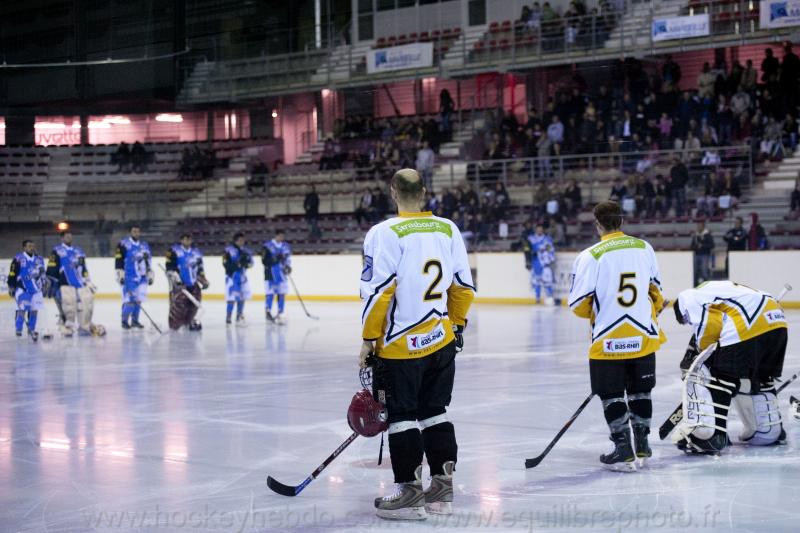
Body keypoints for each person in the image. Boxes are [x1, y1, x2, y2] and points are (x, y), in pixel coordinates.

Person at [360, 168, 475, 520]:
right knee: (435, 411)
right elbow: (463, 288)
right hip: (441, 340)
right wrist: (456, 326)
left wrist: (368, 339)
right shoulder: (448, 228)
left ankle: (409, 494)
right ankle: (441, 491)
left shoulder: (383, 233)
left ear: (393, 192)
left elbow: (379, 293)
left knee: (402, 416)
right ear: (424, 192)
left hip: (401, 345)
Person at [568, 201, 666, 471]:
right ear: (621, 221)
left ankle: (623, 448)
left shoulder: (590, 256)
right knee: (641, 391)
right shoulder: (644, 247)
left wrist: (601, 313)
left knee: (611, 394)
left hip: (608, 338)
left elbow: (579, 304)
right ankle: (642, 445)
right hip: (643, 334)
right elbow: (656, 292)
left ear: (597, 224)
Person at [671, 281, 788, 454]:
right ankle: (769, 431)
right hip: (777, 322)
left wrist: (700, 351)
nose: (688, 322)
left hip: (748, 322)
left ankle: (711, 436)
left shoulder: (686, 297)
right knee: (760, 377)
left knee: (716, 375)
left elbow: (709, 325)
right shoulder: (717, 291)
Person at [47, 231, 105, 337]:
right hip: (65, 284)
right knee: (69, 306)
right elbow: (51, 268)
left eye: (70, 236)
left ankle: (84, 327)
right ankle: (67, 328)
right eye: (66, 236)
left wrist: (88, 280)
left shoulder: (79, 251)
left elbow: (83, 267)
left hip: (81, 284)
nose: (69, 238)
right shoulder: (57, 251)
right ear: (62, 238)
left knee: (87, 304)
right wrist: (53, 283)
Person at [165, 233, 209, 331]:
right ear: (181, 240)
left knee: (194, 305)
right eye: (185, 239)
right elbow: (170, 268)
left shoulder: (196, 253)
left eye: (189, 239)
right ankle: (175, 326)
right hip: (179, 286)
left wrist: (203, 280)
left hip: (193, 285)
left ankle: (188, 323)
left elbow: (200, 268)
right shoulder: (173, 251)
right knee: (178, 306)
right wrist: (177, 281)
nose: (188, 241)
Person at [115, 225, 153, 330]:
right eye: (134, 231)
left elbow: (148, 261)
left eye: (137, 231)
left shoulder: (144, 245)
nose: (136, 233)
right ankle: (124, 321)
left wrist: (150, 273)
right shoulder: (123, 244)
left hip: (142, 277)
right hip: (129, 277)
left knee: (139, 300)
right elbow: (119, 260)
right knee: (130, 300)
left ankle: (135, 321)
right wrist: (120, 274)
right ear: (130, 232)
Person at [8, 240, 47, 341]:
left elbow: (43, 273)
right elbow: (12, 273)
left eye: (32, 246)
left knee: (34, 311)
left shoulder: (39, 259)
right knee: (22, 309)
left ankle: (31, 329)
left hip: (37, 290)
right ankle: (18, 328)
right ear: (24, 248)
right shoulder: (18, 258)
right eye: (29, 246)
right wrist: (11, 285)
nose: (31, 248)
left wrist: (44, 285)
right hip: (23, 288)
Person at [223, 232, 253, 326]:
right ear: (235, 241)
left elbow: (251, 263)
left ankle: (239, 316)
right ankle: (228, 317)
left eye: (243, 240)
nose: (242, 242)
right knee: (231, 298)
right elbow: (226, 264)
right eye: (240, 240)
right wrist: (237, 265)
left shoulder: (246, 251)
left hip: (242, 277)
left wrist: (246, 263)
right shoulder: (228, 251)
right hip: (231, 277)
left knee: (242, 297)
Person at [262, 230, 292, 324]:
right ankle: (268, 311)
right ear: (276, 236)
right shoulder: (267, 246)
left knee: (281, 293)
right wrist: (274, 259)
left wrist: (288, 266)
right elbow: (264, 261)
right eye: (280, 236)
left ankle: (280, 312)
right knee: (270, 293)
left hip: (281, 274)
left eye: (283, 236)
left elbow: (288, 258)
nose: (282, 238)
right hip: (270, 273)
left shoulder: (285, 246)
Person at [525, 225, 555, 305]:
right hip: (536, 263)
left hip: (545, 263)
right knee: (537, 282)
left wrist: (550, 258)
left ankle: (550, 297)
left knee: (548, 281)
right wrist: (528, 261)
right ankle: (537, 298)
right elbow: (527, 250)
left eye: (541, 230)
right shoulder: (531, 239)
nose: (539, 231)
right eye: (538, 229)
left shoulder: (547, 239)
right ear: (535, 230)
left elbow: (550, 249)